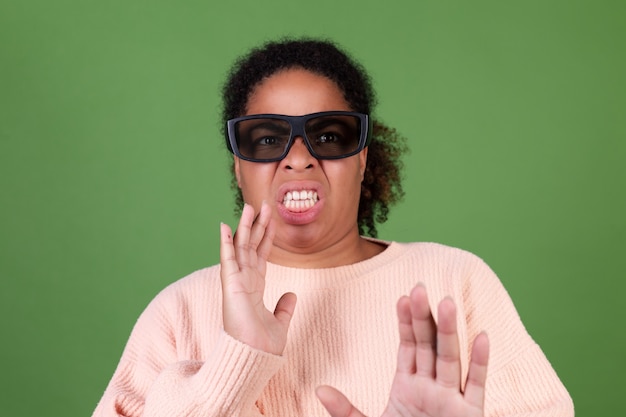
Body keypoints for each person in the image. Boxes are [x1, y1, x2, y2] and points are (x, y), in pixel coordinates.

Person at [92, 38, 574, 417]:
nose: (298, 158)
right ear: (238, 166)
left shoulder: (454, 283)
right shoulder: (179, 313)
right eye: (266, 138)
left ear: (362, 157)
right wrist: (236, 361)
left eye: (327, 135)